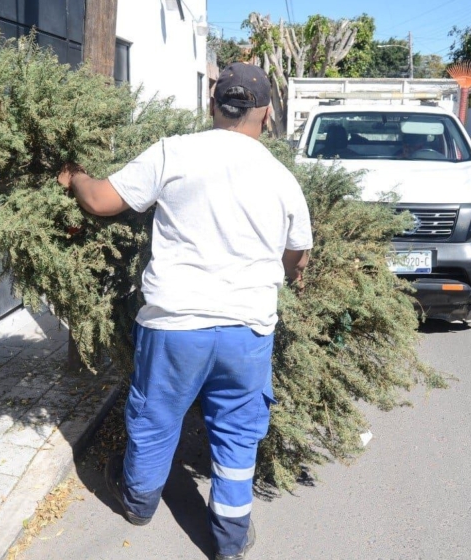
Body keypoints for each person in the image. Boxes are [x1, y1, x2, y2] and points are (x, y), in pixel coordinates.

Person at [56, 62, 312, 560]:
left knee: (156, 418)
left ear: (213, 105)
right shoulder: (281, 178)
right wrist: (293, 274)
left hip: (175, 325)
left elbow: (102, 201)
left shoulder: (174, 152)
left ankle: (138, 504)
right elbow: (297, 254)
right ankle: (230, 539)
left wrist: (75, 178)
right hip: (247, 330)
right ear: (265, 114)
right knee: (238, 433)